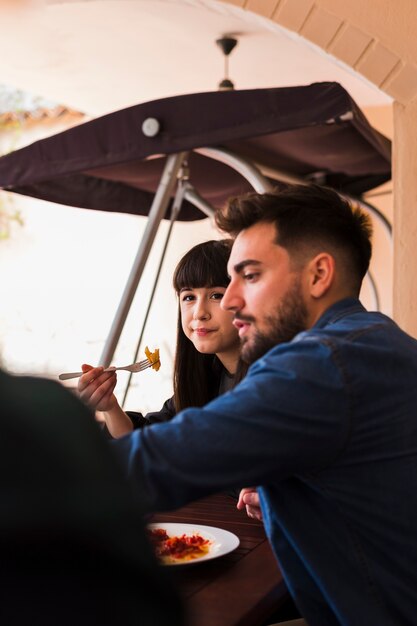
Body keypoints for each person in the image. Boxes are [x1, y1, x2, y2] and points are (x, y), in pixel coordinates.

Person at [111, 183, 417, 626]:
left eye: (250, 276)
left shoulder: (321, 363)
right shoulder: (378, 341)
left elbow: (158, 462)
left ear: (318, 275)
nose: (232, 300)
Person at [0, 366, 184, 626]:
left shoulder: (38, 409)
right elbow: (143, 448)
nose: (197, 320)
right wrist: (110, 408)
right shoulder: (44, 406)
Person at [78, 239, 246, 438]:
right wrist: (109, 406)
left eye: (216, 295)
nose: (199, 313)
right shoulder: (205, 378)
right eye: (189, 297)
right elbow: (147, 439)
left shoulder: (269, 382)